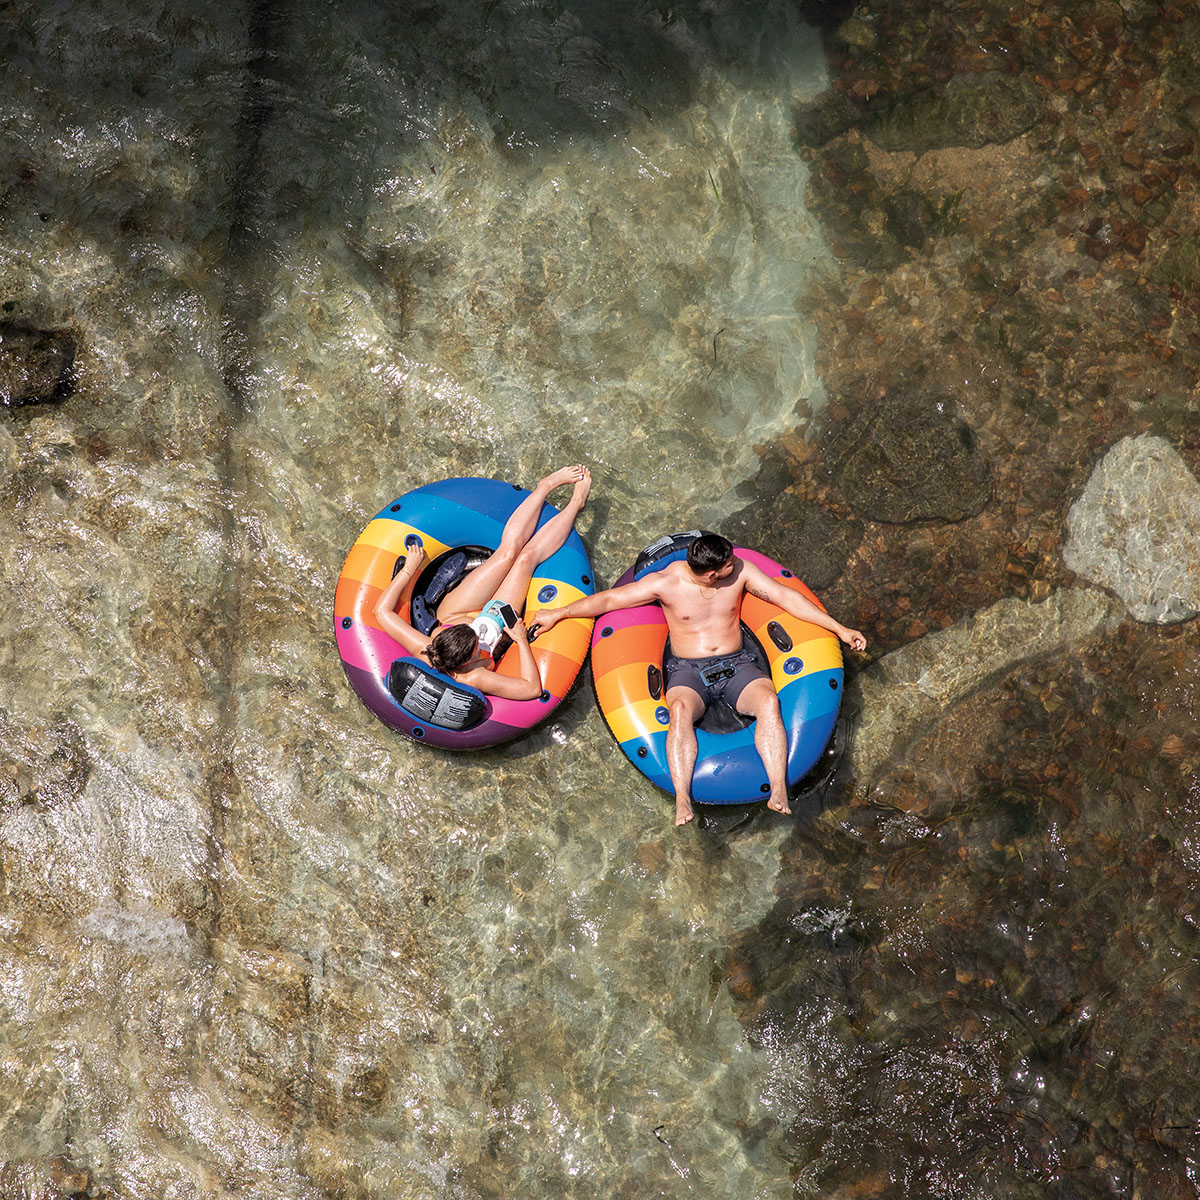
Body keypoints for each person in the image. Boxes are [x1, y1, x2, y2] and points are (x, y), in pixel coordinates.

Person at [532, 532, 867, 826]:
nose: (735, 565)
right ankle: (682, 799)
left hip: (738, 664)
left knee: (768, 701)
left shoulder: (740, 572)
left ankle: (778, 787)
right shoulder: (667, 583)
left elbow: (785, 598)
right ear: (709, 575)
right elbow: (608, 600)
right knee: (679, 712)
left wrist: (839, 628)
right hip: (688, 670)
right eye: (726, 566)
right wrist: (558, 613)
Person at [374, 465, 591, 701]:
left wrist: (407, 571)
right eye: (477, 643)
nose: (475, 627)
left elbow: (381, 611)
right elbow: (532, 689)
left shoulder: (426, 648)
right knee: (526, 560)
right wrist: (520, 640)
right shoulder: (474, 676)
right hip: (497, 624)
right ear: (468, 660)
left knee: (507, 553)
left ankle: (544, 487)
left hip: (456, 612)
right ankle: (576, 504)